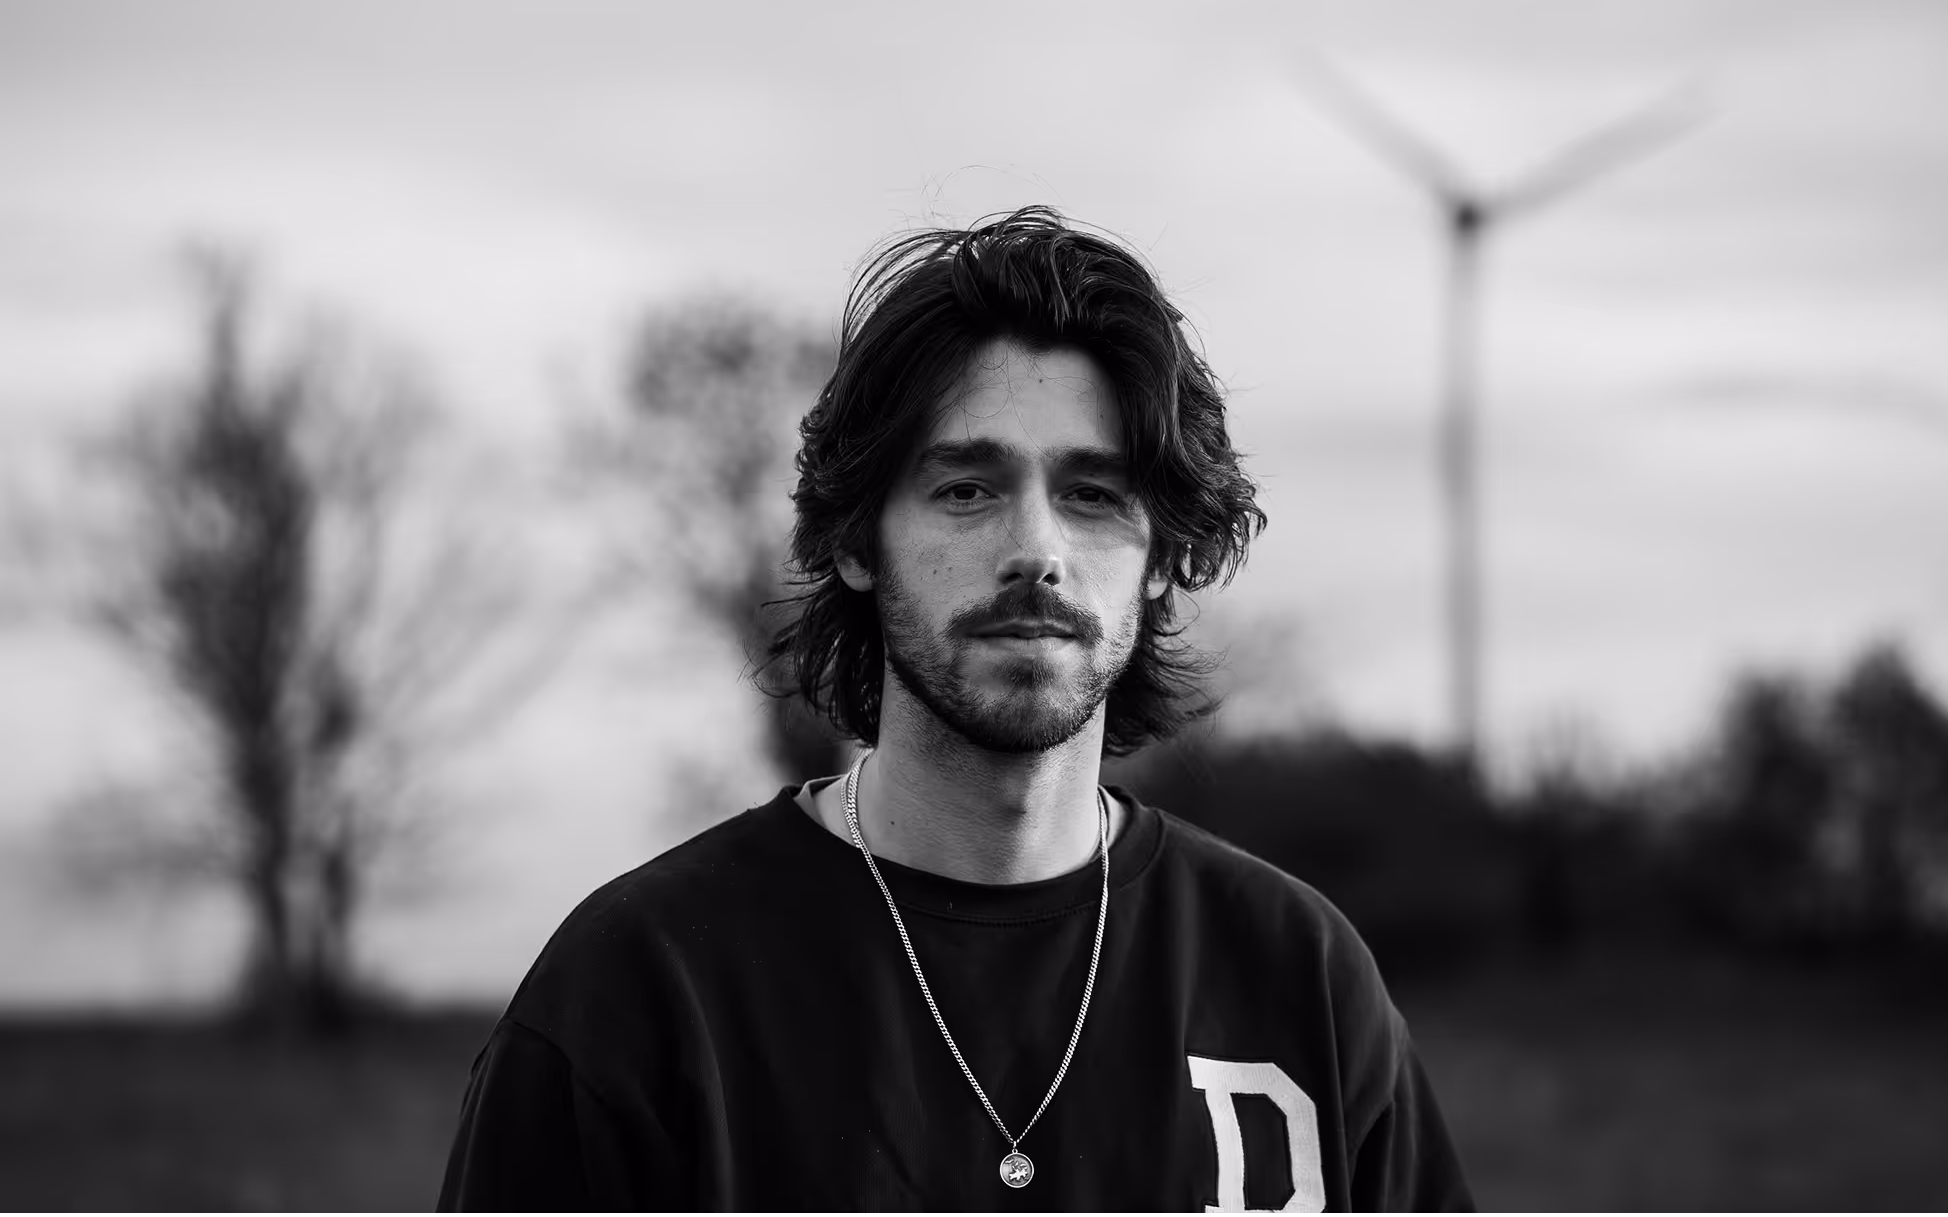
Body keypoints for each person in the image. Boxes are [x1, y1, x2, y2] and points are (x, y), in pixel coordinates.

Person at [437, 207, 1475, 1212]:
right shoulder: (640, 990)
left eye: (1092, 493)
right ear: (856, 542)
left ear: (1161, 558)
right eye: (967, 489)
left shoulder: (1299, 976)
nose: (1035, 551)